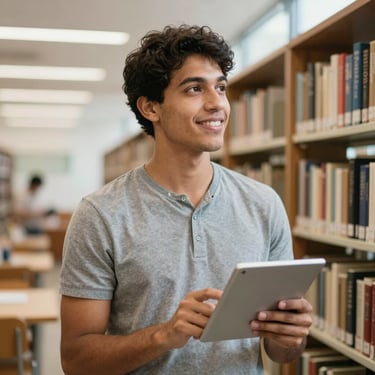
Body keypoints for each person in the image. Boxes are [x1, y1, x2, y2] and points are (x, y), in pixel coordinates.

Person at [60, 25, 312, 375]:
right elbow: (75, 359)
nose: (217, 104)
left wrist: (290, 336)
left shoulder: (264, 203)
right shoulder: (101, 214)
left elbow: (281, 353)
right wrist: (163, 335)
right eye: (195, 88)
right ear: (151, 107)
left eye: (220, 88)